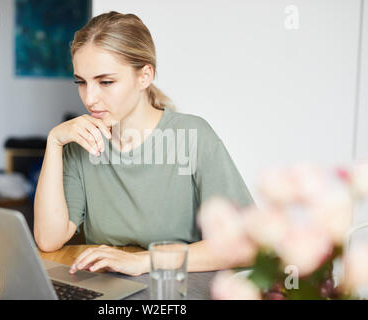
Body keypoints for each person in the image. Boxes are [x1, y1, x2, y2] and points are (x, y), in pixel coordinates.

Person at [33, 11, 254, 276]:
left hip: (176, 287)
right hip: (109, 285)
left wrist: (144, 261)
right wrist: (54, 142)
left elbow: (244, 245)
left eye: (106, 82)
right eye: (81, 82)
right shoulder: (81, 142)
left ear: (144, 76)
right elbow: (48, 239)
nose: (90, 98)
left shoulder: (192, 135)